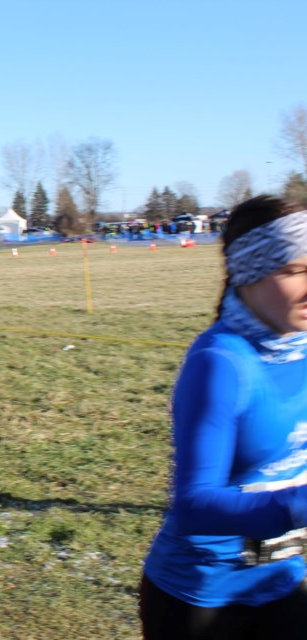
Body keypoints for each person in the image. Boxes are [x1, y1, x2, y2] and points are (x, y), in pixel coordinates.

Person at [140, 195, 307, 638]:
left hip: (279, 584)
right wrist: (299, 504)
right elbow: (195, 505)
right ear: (249, 273)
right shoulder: (222, 363)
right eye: (294, 271)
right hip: (201, 601)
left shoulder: (302, 347)